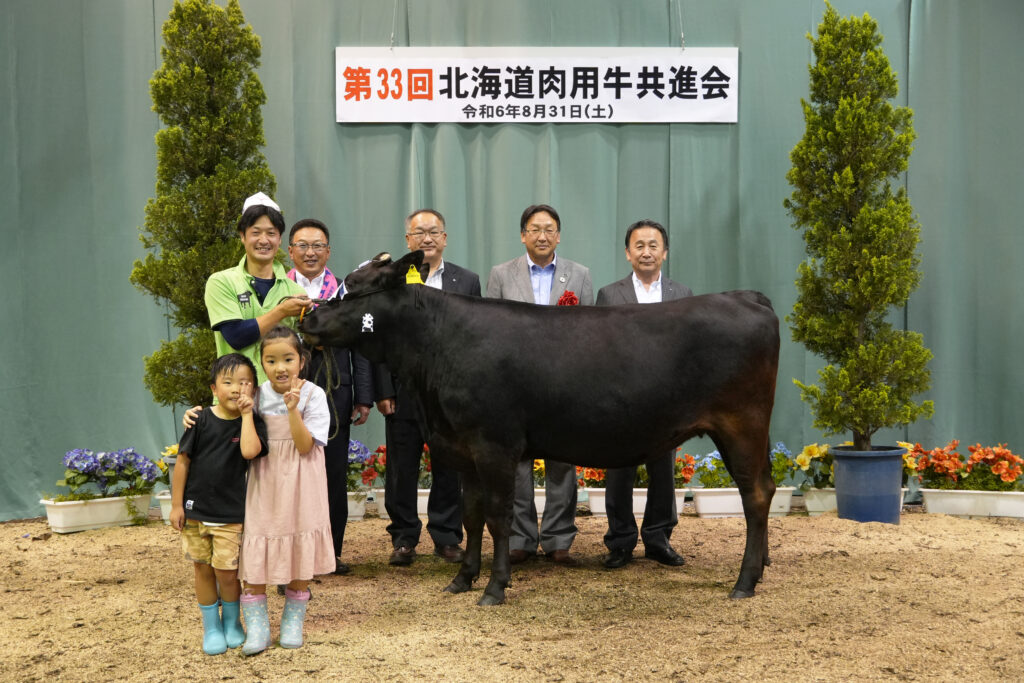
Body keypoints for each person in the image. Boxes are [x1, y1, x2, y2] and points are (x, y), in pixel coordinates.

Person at [485, 204, 593, 567]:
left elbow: (590, 333)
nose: (542, 235)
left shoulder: (579, 275)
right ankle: (520, 538)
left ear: (558, 235)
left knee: (563, 461)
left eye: (549, 229)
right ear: (522, 235)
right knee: (516, 463)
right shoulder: (501, 275)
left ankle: (559, 539)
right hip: (514, 388)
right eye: (534, 229)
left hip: (566, 386)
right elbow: (492, 334)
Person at [375, 209, 480, 566]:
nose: (427, 238)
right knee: (402, 466)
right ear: (408, 241)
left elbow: (474, 339)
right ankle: (404, 536)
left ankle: (447, 536)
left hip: (449, 394)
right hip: (403, 390)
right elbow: (379, 339)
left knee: (450, 465)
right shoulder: (391, 280)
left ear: (446, 238)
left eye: (434, 231)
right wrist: (382, 389)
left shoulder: (466, 282)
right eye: (419, 233)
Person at [597, 219, 690, 569]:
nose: (646, 252)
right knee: (619, 469)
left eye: (653, 245)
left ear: (664, 252)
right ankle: (620, 541)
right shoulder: (609, 294)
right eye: (639, 246)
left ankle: (658, 538)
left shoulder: (682, 295)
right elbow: (600, 347)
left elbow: (688, 350)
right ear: (627, 253)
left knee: (663, 471)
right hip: (621, 399)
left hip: (666, 401)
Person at [238, 326, 334, 655]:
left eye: (288, 359)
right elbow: (224, 419)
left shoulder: (314, 395)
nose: (280, 367)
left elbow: (306, 446)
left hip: (302, 481)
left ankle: (293, 622)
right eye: (271, 360)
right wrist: (194, 417)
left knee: (298, 542)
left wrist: (293, 409)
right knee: (257, 541)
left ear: (302, 361)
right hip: (264, 480)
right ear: (261, 363)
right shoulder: (255, 396)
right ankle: (258, 627)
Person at [286, 218, 373, 575]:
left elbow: (361, 347)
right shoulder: (279, 290)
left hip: (336, 391)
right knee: (287, 473)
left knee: (332, 473)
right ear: (290, 251)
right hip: (288, 393)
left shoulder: (345, 293)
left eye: (317, 245)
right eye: (303, 246)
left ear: (328, 251)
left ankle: (330, 553)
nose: (310, 252)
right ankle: (290, 557)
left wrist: (363, 395)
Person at [170, 353, 268, 655]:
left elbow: (251, 452)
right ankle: (211, 627)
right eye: (228, 383)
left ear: (253, 389)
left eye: (244, 383)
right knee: (202, 569)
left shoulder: (253, 422)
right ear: (214, 388)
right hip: (196, 510)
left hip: (231, 513)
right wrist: (176, 506)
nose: (236, 389)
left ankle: (232, 623)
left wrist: (248, 415)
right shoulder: (199, 420)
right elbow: (183, 462)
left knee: (227, 571)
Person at [204, 192, 310, 384]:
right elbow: (236, 336)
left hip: (280, 401)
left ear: (279, 240)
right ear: (242, 236)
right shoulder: (221, 282)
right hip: (234, 399)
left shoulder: (295, 291)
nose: (264, 240)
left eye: (271, 233)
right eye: (255, 232)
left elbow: (303, 346)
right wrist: (282, 311)